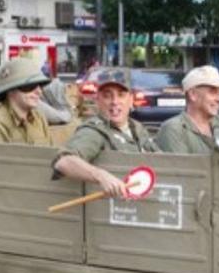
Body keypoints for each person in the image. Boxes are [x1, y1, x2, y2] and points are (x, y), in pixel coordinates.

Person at [52, 67, 157, 198]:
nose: (114, 102)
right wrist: (102, 176)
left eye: (121, 95)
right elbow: (64, 162)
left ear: (131, 100)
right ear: (98, 101)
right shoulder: (94, 131)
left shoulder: (137, 128)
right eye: (107, 96)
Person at [0, 57, 53, 146]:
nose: (39, 92)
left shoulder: (39, 119)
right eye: (30, 86)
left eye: (40, 86)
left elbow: (50, 155)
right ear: (11, 90)